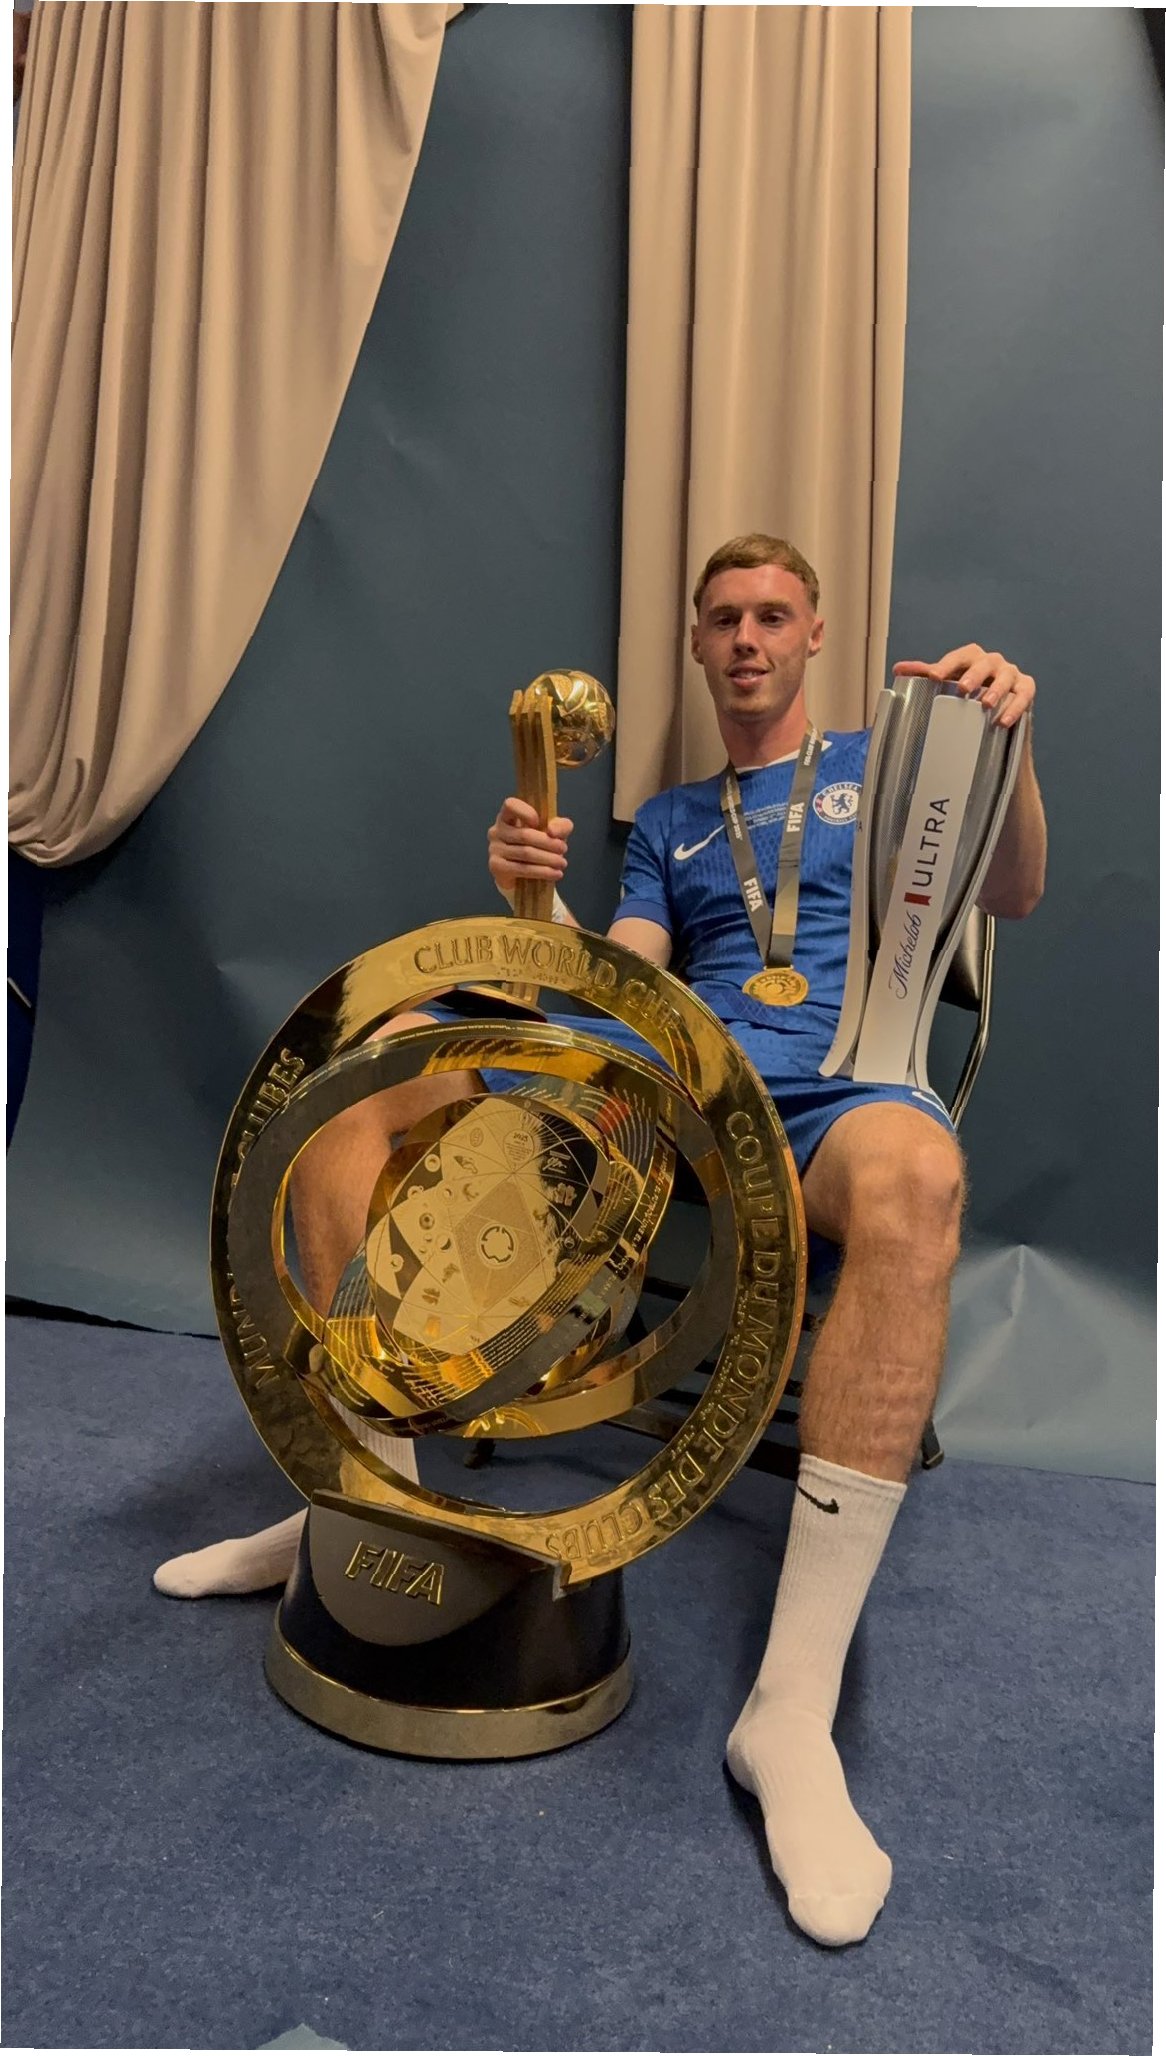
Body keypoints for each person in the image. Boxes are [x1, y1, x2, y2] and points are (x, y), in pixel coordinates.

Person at [156, 533, 1045, 1948]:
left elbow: (1010, 891)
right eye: (723, 618)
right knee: (375, 1063)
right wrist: (540, 902)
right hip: (674, 1087)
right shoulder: (673, 823)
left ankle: (788, 1712)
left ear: (814, 635)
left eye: (772, 615)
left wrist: (1001, 746)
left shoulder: (885, 768)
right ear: (695, 644)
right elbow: (618, 978)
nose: (746, 638)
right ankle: (358, 1500)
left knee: (918, 1183)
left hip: (842, 1093)